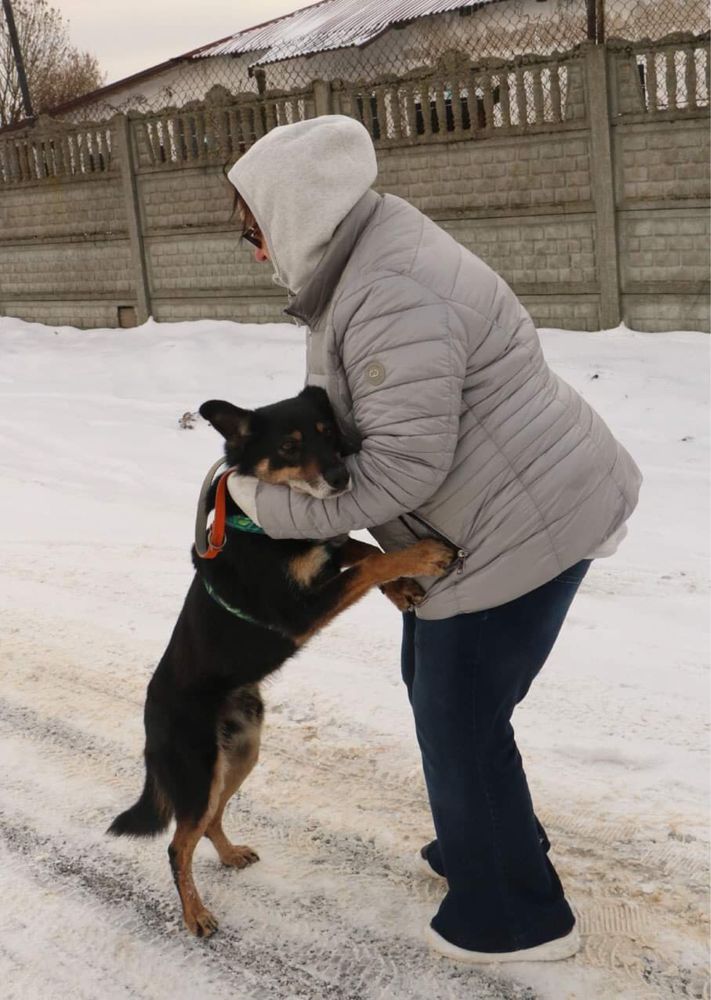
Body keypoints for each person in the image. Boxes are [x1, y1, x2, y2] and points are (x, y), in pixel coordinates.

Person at [224, 115, 641, 964]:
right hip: (506, 507)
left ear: (297, 214)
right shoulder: (361, 263)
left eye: (255, 232)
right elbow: (347, 413)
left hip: (521, 524)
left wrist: (258, 508)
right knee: (444, 692)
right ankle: (487, 847)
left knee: (459, 716)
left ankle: (516, 920)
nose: (259, 254)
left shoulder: (388, 290)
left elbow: (402, 471)